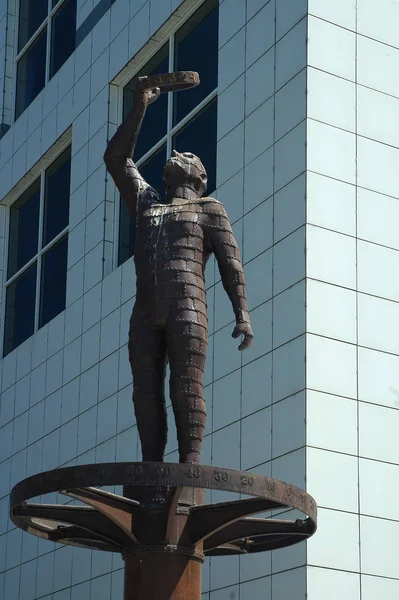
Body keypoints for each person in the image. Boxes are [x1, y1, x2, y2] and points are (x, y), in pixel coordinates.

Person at [104, 84, 253, 467]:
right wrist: (140, 106)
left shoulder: (209, 208)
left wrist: (242, 314)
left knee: (185, 388)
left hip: (188, 311)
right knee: (145, 392)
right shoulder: (146, 203)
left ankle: (190, 468)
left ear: (200, 177)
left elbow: (231, 264)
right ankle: (152, 468)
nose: (177, 154)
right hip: (145, 312)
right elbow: (117, 158)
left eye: (188, 155)